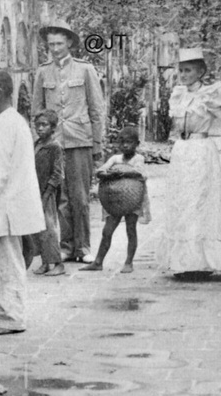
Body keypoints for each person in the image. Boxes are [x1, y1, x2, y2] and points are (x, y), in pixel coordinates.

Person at [156, 48, 221, 276]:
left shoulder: (209, 94)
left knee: (199, 202)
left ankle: (202, 262)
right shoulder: (178, 94)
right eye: (181, 70)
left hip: (201, 151)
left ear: (200, 72)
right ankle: (183, 262)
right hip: (181, 151)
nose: (183, 75)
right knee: (181, 202)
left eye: (188, 70)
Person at [0, 71, 45, 334]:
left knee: (4, 263)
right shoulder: (10, 121)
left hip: (5, 206)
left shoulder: (5, 124)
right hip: (10, 204)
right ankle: (11, 313)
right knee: (7, 261)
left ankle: (12, 316)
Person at [32, 20, 105, 264]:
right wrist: (39, 144)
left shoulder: (85, 69)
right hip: (54, 143)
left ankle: (83, 247)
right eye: (51, 44)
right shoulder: (43, 72)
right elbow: (37, 110)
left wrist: (97, 144)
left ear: (70, 43)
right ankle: (66, 246)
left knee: (80, 197)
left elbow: (96, 109)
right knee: (59, 196)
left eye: (59, 44)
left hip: (79, 140)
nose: (55, 49)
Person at [81, 126, 151, 274]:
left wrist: (123, 172)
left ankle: (129, 262)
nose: (125, 145)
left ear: (137, 144)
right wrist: (107, 175)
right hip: (114, 200)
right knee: (107, 231)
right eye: (122, 142)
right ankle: (98, 262)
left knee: (131, 230)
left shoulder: (138, 159)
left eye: (129, 142)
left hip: (133, 199)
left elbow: (141, 174)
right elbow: (100, 171)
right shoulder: (115, 159)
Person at [31, 109, 65, 277]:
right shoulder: (37, 144)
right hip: (36, 190)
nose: (40, 128)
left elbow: (58, 174)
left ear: (53, 128)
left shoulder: (55, 146)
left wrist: (47, 194)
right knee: (39, 228)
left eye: (44, 125)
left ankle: (58, 263)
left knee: (49, 228)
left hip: (48, 192)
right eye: (37, 125)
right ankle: (45, 262)